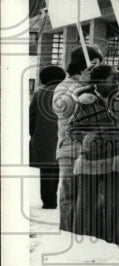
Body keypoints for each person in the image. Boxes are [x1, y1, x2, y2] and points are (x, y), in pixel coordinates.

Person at [68, 64, 119, 247]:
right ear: (100, 81)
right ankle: (84, 244)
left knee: (113, 206)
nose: (116, 82)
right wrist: (87, 138)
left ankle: (114, 244)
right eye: (113, 79)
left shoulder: (118, 101)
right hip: (91, 160)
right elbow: (71, 129)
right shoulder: (85, 102)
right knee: (86, 206)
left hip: (115, 158)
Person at [52, 45, 103, 232]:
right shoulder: (65, 86)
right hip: (70, 149)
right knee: (70, 196)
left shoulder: (96, 86)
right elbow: (61, 108)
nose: (96, 69)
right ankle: (67, 233)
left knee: (92, 198)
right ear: (81, 66)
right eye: (93, 64)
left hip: (93, 150)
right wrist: (79, 86)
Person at [29, 65, 67, 209]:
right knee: (58, 169)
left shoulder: (39, 93)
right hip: (62, 136)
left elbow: (31, 116)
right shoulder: (66, 91)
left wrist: (34, 134)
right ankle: (61, 198)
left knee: (46, 171)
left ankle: (48, 200)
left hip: (43, 139)